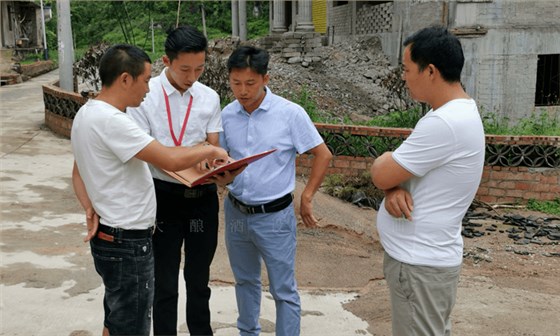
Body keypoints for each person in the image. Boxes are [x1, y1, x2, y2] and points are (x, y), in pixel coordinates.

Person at [71, 44, 228, 336]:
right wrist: (210, 148)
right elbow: (168, 158)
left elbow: (77, 172)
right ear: (125, 79)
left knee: (116, 318)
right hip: (127, 241)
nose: (148, 88)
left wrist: (89, 207)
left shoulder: (87, 114)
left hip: (111, 232)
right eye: (144, 80)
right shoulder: (113, 121)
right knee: (131, 324)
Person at [370, 26, 485, 336]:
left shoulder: (444, 123)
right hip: (425, 262)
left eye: (407, 69)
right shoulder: (456, 113)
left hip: (419, 265)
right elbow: (398, 174)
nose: (404, 77)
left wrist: (387, 173)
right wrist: (394, 186)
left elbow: (381, 171)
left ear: (431, 71)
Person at [217, 46, 333, 336]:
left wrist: (306, 196)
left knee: (283, 289)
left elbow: (323, 154)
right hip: (236, 212)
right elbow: (220, 158)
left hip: (275, 216)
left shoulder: (290, 114)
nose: (242, 91)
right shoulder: (227, 115)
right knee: (244, 281)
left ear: (266, 78)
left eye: (250, 83)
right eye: (235, 83)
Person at [127, 26, 226, 336]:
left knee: (199, 280)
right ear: (166, 61)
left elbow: (213, 148)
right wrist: (193, 153)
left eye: (199, 68)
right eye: (185, 69)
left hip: (203, 200)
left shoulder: (208, 96)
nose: (192, 76)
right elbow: (151, 154)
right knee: (164, 281)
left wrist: (220, 164)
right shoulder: (145, 95)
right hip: (162, 198)